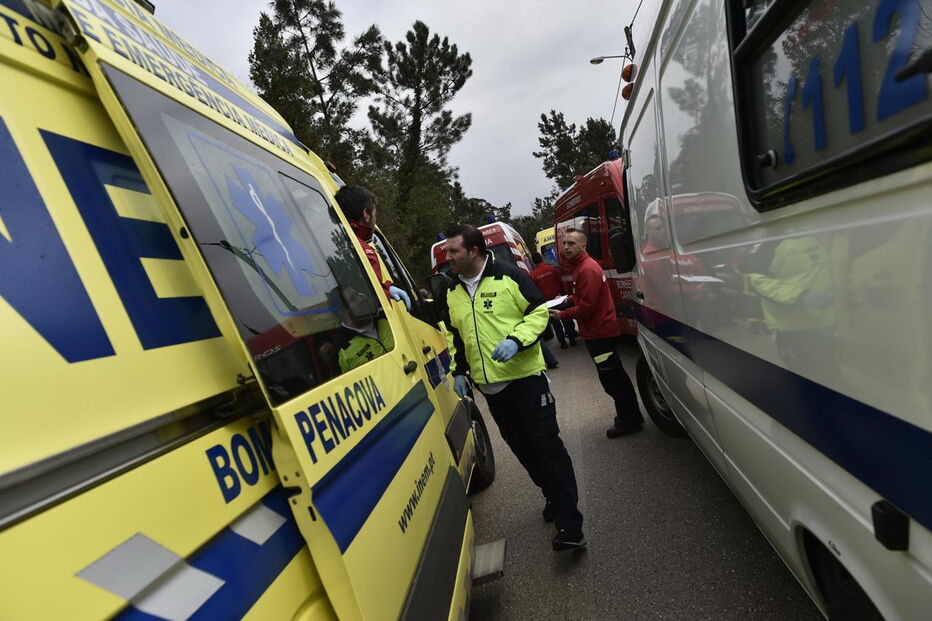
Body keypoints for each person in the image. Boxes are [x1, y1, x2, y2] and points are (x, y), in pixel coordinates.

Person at [442, 225, 586, 551]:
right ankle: (552, 495)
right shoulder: (451, 290)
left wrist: (516, 340)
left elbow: (538, 312)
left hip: (526, 379)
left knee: (546, 446)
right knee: (522, 447)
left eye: (453, 251)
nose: (447, 257)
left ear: (473, 251)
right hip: (492, 388)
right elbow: (454, 335)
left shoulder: (508, 276)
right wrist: (459, 370)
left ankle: (570, 525)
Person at [551, 228, 644, 438]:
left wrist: (562, 314)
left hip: (600, 334)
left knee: (612, 379)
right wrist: (568, 299)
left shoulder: (586, 269)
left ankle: (630, 421)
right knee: (614, 377)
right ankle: (631, 416)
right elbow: (585, 297)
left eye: (571, 243)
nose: (566, 247)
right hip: (598, 332)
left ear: (583, 246)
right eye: (564, 243)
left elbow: (587, 307)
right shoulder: (581, 266)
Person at [334, 185, 411, 311]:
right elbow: (368, 298)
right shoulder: (363, 250)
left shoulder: (337, 242)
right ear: (366, 214)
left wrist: (386, 288)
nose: (375, 220)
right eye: (375, 214)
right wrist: (386, 291)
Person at [530, 252, 578, 349]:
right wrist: (564, 295)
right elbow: (560, 282)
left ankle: (563, 343)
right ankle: (572, 339)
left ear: (533, 262)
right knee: (566, 318)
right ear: (542, 259)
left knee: (556, 323)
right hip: (559, 299)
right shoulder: (551, 269)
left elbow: (535, 290)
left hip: (548, 303)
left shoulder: (533, 275)